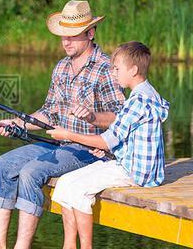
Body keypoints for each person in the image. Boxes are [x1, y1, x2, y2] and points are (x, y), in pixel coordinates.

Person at [0, 0, 125, 249]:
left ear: (90, 33)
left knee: (31, 172)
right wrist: (14, 124)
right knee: (0, 165)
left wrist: (92, 116)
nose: (66, 42)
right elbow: (48, 114)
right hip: (58, 142)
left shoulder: (105, 68)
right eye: (63, 36)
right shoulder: (61, 67)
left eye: (73, 36)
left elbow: (121, 115)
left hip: (90, 149)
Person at [46, 41, 169, 249]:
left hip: (135, 172)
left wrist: (69, 134)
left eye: (117, 68)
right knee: (65, 183)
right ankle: (69, 245)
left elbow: (106, 139)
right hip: (133, 163)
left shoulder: (137, 102)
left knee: (78, 190)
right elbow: (126, 138)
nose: (113, 73)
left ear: (133, 70)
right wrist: (108, 149)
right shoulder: (149, 94)